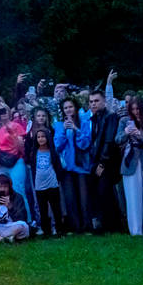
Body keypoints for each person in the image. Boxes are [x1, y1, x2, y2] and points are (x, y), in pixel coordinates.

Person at [116, 96, 143, 237]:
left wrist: (142, 137)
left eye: (138, 109)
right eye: (133, 109)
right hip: (130, 162)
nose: (136, 112)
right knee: (132, 196)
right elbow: (117, 139)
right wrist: (126, 133)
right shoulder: (124, 121)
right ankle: (136, 230)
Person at [54, 97, 92, 233]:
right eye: (65, 108)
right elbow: (58, 146)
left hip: (81, 166)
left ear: (75, 108)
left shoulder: (84, 123)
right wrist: (64, 131)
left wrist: (76, 129)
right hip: (67, 167)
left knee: (84, 197)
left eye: (70, 107)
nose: (68, 110)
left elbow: (85, 144)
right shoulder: (59, 125)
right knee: (70, 198)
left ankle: (87, 226)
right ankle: (75, 227)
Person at [86, 90, 121, 234]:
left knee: (105, 192)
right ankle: (106, 225)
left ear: (104, 101)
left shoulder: (110, 116)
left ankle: (113, 226)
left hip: (107, 161)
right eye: (91, 101)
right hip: (97, 160)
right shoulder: (94, 118)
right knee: (100, 193)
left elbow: (109, 141)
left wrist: (102, 163)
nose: (93, 104)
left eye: (96, 101)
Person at [26, 126, 63, 237]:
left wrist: (58, 179)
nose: (41, 139)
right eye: (38, 137)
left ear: (48, 137)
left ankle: (59, 230)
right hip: (39, 185)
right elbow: (32, 168)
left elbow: (58, 167)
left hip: (52, 184)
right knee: (43, 209)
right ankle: (46, 231)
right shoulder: (34, 153)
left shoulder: (53, 152)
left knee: (56, 208)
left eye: (43, 136)